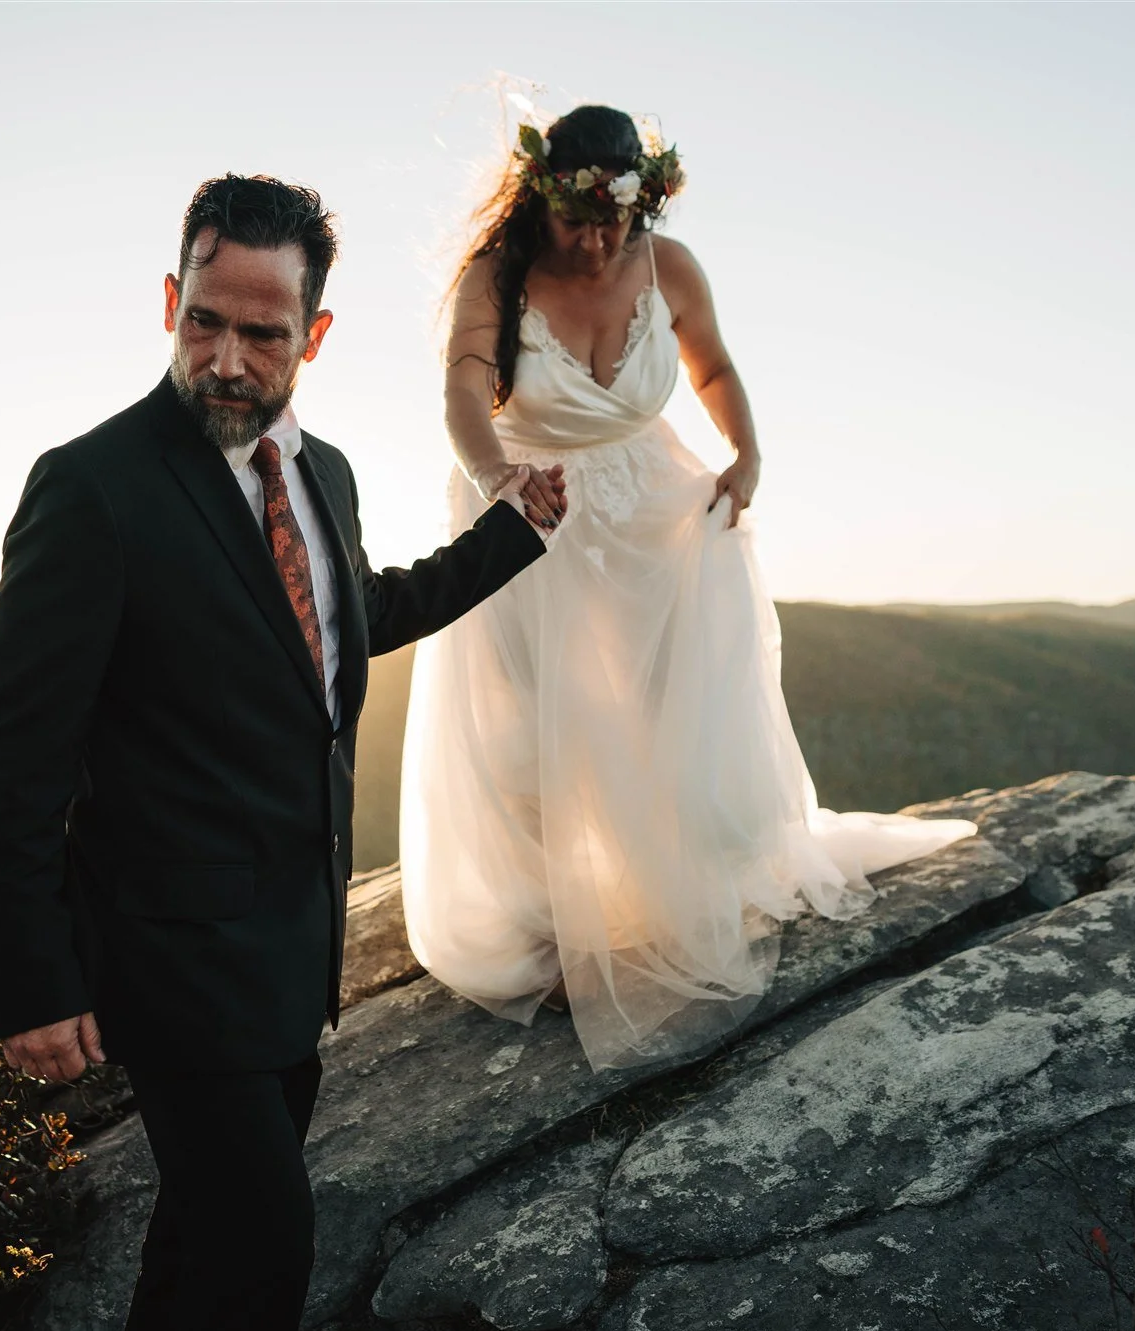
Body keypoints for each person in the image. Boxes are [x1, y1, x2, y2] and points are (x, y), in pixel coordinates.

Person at [0, 174, 563, 1331]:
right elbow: (14, 753)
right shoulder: (90, 487)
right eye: (203, 320)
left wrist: (513, 538)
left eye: (261, 333)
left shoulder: (322, 475)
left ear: (314, 336)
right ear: (170, 302)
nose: (225, 360)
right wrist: (31, 979)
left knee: (200, 1241)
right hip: (171, 953)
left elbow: (337, 627)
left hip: (292, 946)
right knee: (265, 1240)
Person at [399, 104, 978, 1074]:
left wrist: (745, 454)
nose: (596, 240)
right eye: (579, 219)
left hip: (646, 507)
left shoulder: (668, 268)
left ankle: (670, 890)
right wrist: (501, 480)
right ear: (540, 199)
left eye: (615, 220)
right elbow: (462, 394)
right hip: (525, 505)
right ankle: (543, 930)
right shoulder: (492, 280)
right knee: (523, 726)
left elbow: (709, 366)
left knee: (670, 703)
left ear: (644, 203)